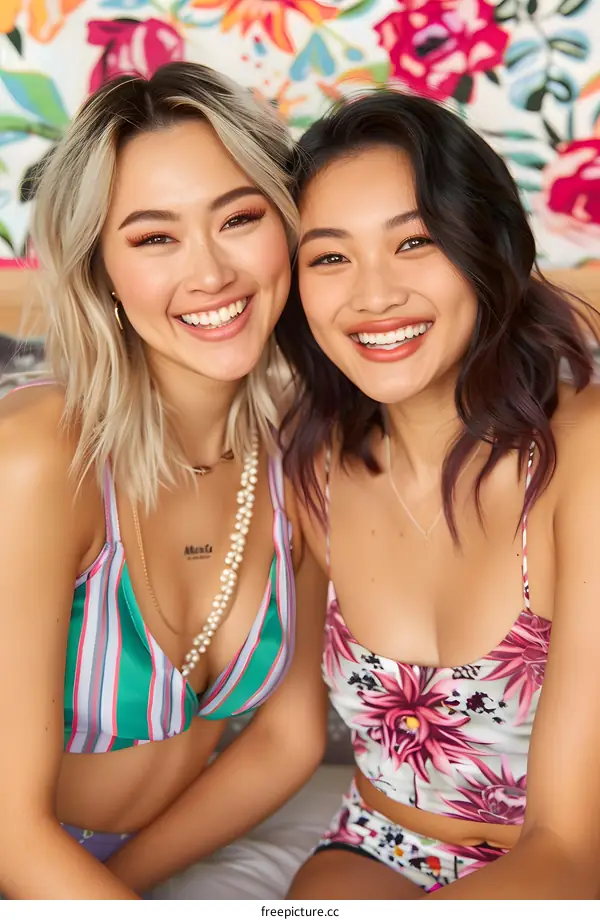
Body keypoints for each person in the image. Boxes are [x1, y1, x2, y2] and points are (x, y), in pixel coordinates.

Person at [0, 62, 327, 900]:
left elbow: (288, 739)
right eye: (155, 237)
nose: (212, 272)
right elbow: (12, 827)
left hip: (123, 869)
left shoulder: (300, 454)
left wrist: (137, 889)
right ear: (102, 271)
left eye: (239, 218)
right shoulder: (43, 457)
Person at [276, 90, 600, 900]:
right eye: (329, 256)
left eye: (414, 241)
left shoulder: (582, 453)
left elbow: (568, 848)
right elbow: (276, 743)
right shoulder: (308, 468)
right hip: (376, 844)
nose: (374, 294)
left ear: (486, 247)